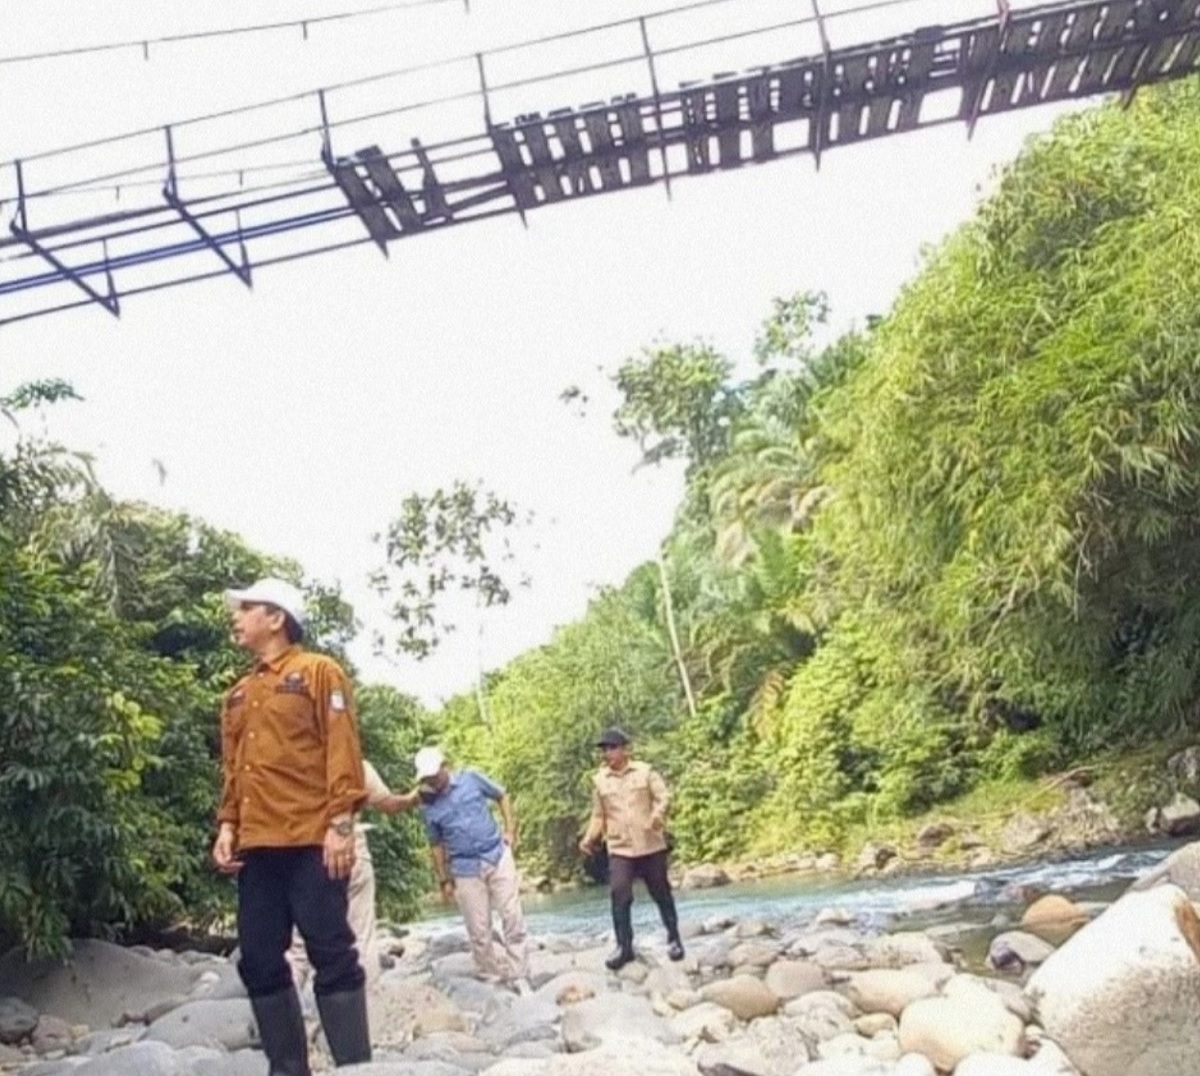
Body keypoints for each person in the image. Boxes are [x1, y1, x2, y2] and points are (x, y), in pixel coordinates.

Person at [211, 577, 371, 1075]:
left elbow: (342, 749)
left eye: (247, 608)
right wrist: (227, 826)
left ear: (277, 618)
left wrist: (340, 823)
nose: (236, 617)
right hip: (257, 846)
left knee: (332, 951)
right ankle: (287, 1069)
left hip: (311, 840)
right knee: (258, 958)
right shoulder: (238, 694)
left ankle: (355, 1067)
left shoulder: (319, 672)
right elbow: (235, 769)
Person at [289, 760, 415, 993]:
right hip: (352, 852)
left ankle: (285, 1018)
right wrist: (414, 798)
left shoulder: (293, 765)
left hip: (306, 855)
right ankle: (366, 1011)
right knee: (361, 937)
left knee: (298, 947)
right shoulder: (357, 766)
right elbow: (389, 804)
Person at [414, 745, 529, 984]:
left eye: (434, 775)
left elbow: (502, 795)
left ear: (445, 767)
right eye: (427, 778)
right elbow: (436, 845)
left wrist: (510, 831)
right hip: (464, 868)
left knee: (512, 916)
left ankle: (520, 973)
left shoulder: (471, 778)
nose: (433, 781)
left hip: (496, 854)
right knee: (478, 930)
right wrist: (443, 879)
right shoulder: (428, 806)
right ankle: (489, 976)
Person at [578, 726, 684, 970]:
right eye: (604, 749)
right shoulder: (600, 781)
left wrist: (657, 816)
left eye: (612, 748)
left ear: (625, 749)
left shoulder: (645, 772)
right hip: (620, 847)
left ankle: (674, 938)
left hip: (650, 844)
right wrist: (589, 838)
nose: (607, 753)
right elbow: (598, 815)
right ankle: (624, 947)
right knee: (619, 893)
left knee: (661, 892)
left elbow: (663, 797)